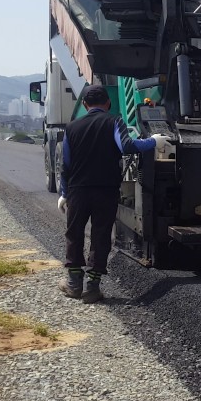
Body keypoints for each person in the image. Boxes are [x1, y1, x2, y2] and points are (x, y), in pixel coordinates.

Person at [58, 85, 160, 302]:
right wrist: (154, 141)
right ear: (108, 103)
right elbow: (127, 146)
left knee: (74, 233)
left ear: (84, 104)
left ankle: (74, 284)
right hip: (106, 190)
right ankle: (92, 288)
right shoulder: (114, 121)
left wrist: (64, 193)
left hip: (78, 190)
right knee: (101, 235)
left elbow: (65, 164)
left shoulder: (71, 127)